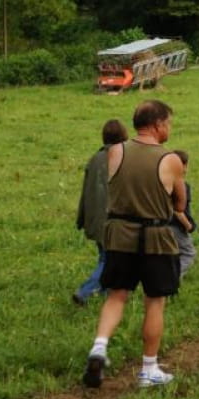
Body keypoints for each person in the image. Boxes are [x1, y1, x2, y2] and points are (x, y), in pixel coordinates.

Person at [83, 100, 186, 390]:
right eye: (168, 123)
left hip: (118, 236)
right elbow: (180, 202)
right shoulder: (171, 160)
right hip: (155, 239)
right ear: (157, 124)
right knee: (154, 301)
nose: (169, 128)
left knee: (116, 295)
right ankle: (149, 369)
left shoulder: (115, 151)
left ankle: (99, 347)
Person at [73, 119, 129, 306]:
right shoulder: (121, 159)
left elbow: (85, 192)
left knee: (105, 256)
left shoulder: (94, 159)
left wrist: (81, 218)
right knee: (109, 259)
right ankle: (85, 291)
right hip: (112, 221)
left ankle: (106, 291)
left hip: (95, 219)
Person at [170, 149, 197, 277]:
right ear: (184, 166)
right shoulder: (182, 186)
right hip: (176, 227)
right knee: (188, 253)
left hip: (158, 225)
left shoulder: (162, 182)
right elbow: (178, 210)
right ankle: (172, 278)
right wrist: (188, 226)